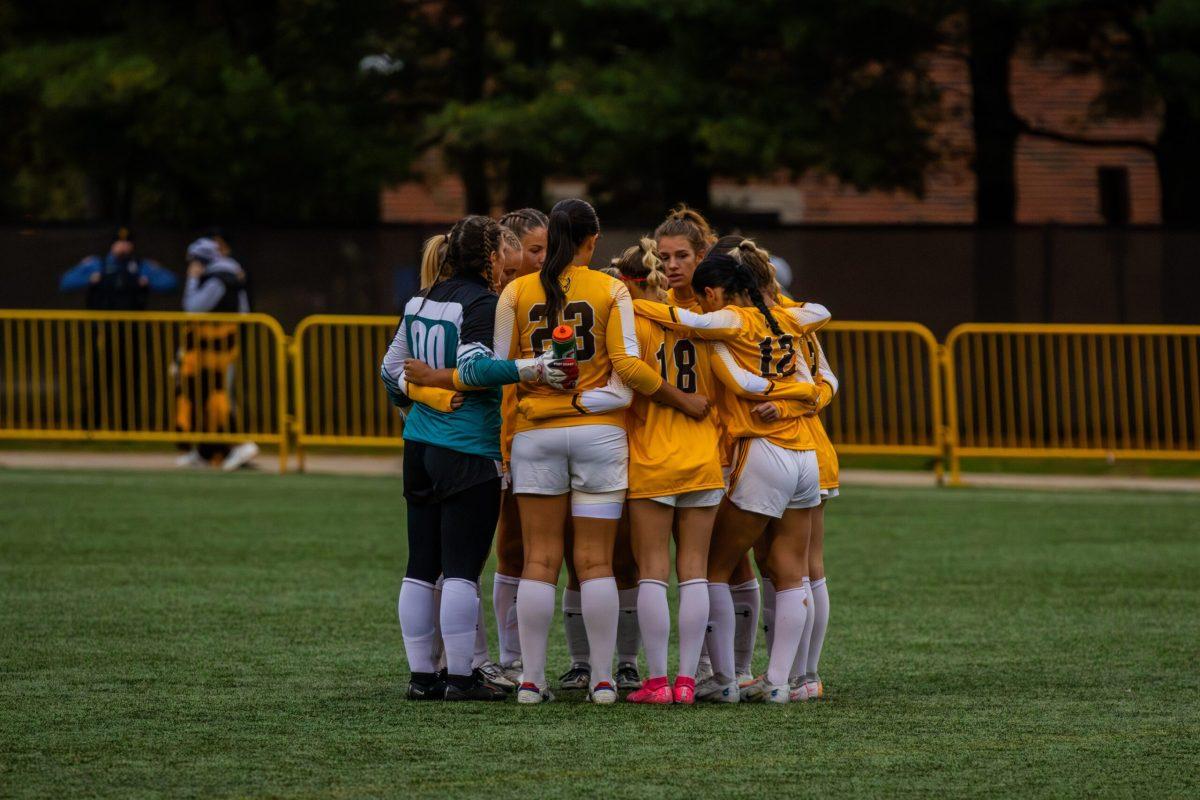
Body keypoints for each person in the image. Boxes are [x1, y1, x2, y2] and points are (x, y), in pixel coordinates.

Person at [458, 198, 707, 705]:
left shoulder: (518, 290)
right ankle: (601, 679)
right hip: (599, 433)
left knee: (539, 562)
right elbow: (626, 368)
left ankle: (530, 679)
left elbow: (503, 370)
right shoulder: (610, 287)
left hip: (535, 432)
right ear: (592, 241)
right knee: (596, 564)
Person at [611, 238, 818, 704]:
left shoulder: (717, 327)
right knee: (793, 571)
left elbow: (731, 374)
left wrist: (636, 306)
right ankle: (785, 679)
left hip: (705, 454)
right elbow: (817, 382)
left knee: (691, 570)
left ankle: (705, 679)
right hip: (792, 452)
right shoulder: (787, 319)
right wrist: (785, 397)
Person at [381, 215, 568, 701]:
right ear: (491, 257)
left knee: (420, 566)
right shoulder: (481, 301)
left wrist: (425, 400)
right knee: (462, 569)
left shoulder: (420, 299)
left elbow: (388, 371)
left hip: (418, 446)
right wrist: (534, 368)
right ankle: (461, 678)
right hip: (466, 450)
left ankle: (423, 678)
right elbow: (474, 368)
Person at [653, 209, 760, 688]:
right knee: (693, 563)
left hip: (721, 445)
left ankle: (734, 669)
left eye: (682, 256)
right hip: (669, 447)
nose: (673, 265)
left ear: (703, 256)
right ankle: (703, 668)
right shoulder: (654, 303)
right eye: (665, 257)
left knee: (729, 561)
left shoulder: (720, 310)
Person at [175, 236, 258, 471]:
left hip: (214, 351)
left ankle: (237, 445)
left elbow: (192, 308)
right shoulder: (231, 275)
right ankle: (208, 451)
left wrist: (192, 279)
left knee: (218, 399)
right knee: (209, 399)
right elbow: (244, 312)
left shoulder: (218, 279)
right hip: (217, 350)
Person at [59, 226, 178, 310]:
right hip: (103, 327)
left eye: (127, 242)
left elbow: (171, 283)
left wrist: (148, 282)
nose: (123, 246)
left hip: (132, 328)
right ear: (112, 244)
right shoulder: (97, 264)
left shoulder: (141, 265)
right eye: (119, 242)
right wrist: (89, 280)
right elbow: (65, 283)